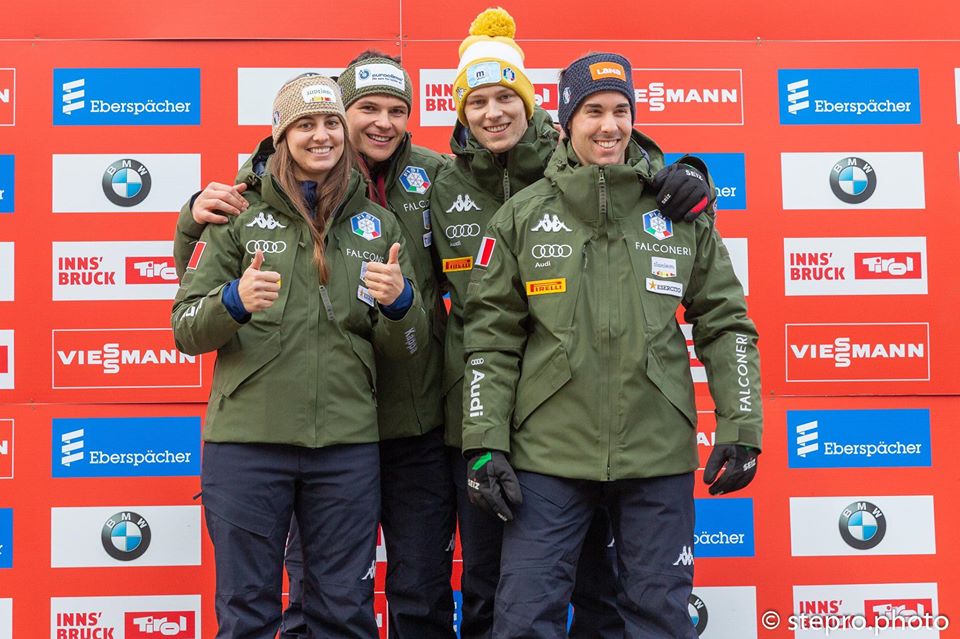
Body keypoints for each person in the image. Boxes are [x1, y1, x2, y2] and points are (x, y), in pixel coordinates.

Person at [459, 52, 762, 638]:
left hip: (655, 451)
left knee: (657, 618)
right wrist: (484, 442)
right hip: (547, 455)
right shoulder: (523, 216)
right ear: (566, 121)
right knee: (523, 619)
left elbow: (725, 323)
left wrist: (741, 425)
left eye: (621, 111)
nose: (608, 125)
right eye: (592, 111)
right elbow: (490, 340)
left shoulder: (680, 213)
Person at [173, 55, 456, 639]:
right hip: (251, 441)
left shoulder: (379, 221)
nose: (321, 135)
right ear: (281, 135)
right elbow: (185, 326)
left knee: (342, 613)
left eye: (328, 123)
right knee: (249, 610)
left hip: (353, 443)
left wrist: (402, 305)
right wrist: (233, 300)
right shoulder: (239, 212)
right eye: (306, 124)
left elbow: (409, 344)